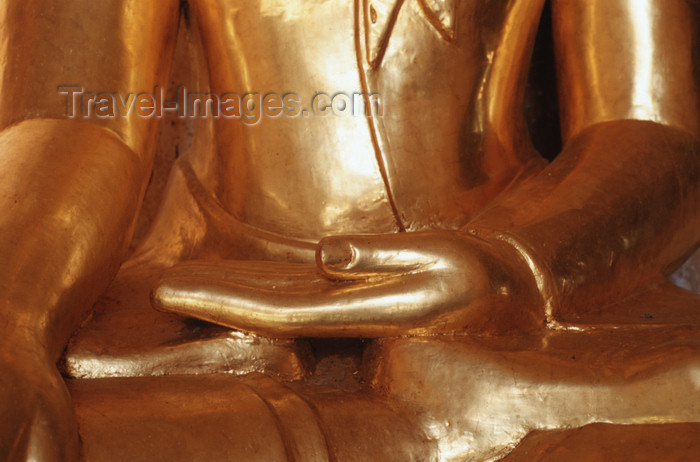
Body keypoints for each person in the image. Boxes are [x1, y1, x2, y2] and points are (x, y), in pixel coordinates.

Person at [0, 0, 698, 459]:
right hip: (216, 293)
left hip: (524, 276)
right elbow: (69, 116)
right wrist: (15, 314)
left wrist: (518, 264)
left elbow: (650, 125)